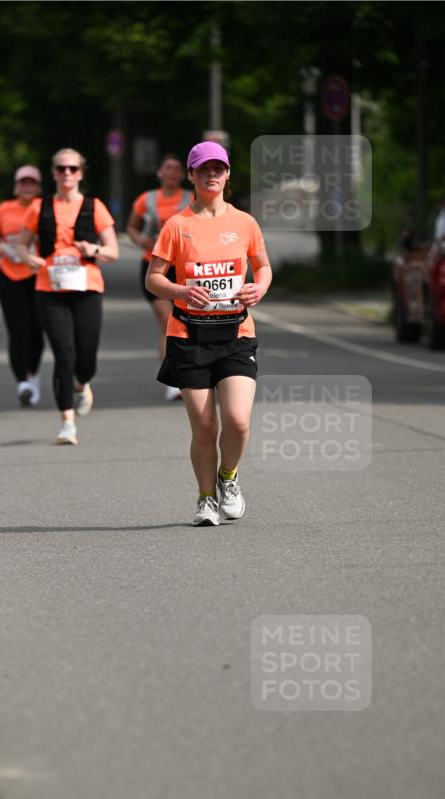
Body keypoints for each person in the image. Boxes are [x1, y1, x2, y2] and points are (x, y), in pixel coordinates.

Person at [146, 141, 272, 526]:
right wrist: (181, 290)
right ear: (192, 176)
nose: (211, 174)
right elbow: (153, 279)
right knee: (204, 427)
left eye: (218, 168)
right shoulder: (177, 225)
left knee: (237, 421)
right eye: (203, 169)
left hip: (236, 333)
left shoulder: (244, 223)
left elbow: (262, 267)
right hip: (188, 336)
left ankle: (228, 479)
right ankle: (205, 499)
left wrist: (259, 287)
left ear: (228, 173)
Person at [16, 148, 118, 444]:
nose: (67, 174)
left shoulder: (94, 206)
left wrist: (94, 250)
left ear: (81, 173)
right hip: (50, 289)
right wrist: (28, 258)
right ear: (53, 173)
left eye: (73, 168)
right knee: (64, 354)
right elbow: (22, 245)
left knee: (86, 359)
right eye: (61, 169)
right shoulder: (38, 207)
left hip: (87, 288)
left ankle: (81, 384)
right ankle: (67, 424)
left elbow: (113, 251)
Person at [126, 155, 191, 401]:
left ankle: (195, 372)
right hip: (155, 265)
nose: (172, 172)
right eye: (168, 168)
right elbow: (131, 226)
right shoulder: (147, 199)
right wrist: (141, 239)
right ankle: (172, 380)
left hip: (185, 267)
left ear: (183, 174)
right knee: (167, 320)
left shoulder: (191, 198)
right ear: (159, 172)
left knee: (190, 322)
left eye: (177, 169)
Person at [0, 165, 45, 406]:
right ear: (16, 186)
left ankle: (33, 374)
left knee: (37, 330)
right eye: (23, 183)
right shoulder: (4, 208)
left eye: (31, 183)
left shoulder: (45, 208)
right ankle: (22, 381)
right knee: (17, 330)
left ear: (39, 186)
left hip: (38, 274)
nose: (27, 187)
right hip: (9, 275)